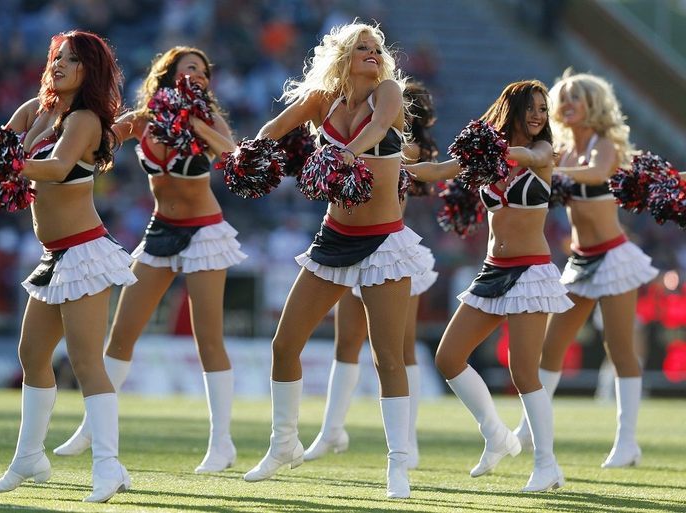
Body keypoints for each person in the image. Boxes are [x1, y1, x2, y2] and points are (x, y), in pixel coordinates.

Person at [241, 21, 433, 499]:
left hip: (383, 243)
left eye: (376, 48)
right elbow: (274, 128)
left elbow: (379, 128)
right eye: (362, 47)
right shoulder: (322, 100)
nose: (372, 54)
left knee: (388, 357)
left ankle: (398, 465)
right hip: (333, 239)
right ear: (343, 56)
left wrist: (342, 153)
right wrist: (254, 153)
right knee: (284, 345)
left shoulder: (388, 92)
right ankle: (283, 444)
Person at [53, 46, 245, 473]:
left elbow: (234, 158)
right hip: (160, 231)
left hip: (205, 233)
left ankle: (222, 443)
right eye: (190, 67)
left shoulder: (208, 119)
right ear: (168, 74)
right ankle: (91, 426)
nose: (198, 75)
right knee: (122, 333)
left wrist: (197, 124)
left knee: (208, 339)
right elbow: (100, 142)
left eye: (204, 70)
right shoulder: (143, 121)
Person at [0, 30, 135, 503]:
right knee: (31, 356)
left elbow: (57, 167)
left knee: (86, 362)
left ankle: (107, 466)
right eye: (57, 57)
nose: (60, 64)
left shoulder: (85, 119)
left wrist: (9, 165)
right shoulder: (36, 110)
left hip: (85, 252)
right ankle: (29, 457)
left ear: (91, 70)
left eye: (72, 59)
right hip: (54, 256)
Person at [409, 80, 572, 492]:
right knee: (448, 357)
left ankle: (547, 465)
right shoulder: (486, 157)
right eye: (530, 107)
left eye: (542, 109)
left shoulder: (541, 151)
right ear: (512, 109)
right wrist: (389, 167)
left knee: (523, 371)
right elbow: (439, 171)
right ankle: (496, 434)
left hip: (530, 272)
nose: (537, 115)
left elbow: (531, 155)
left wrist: (492, 150)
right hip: (491, 271)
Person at [512, 71, 657, 468]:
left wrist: (548, 170)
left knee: (619, 348)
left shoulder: (602, 145)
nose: (568, 103)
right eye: (563, 97)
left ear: (594, 104)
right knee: (551, 346)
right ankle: (528, 429)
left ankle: (627, 442)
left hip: (613, 257)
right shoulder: (559, 149)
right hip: (579, 261)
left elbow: (597, 174)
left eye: (577, 96)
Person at [303, 81, 439, 470]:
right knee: (346, 342)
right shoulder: (360, 126)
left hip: (392, 255)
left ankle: (408, 441)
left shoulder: (407, 147)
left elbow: (397, 155)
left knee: (399, 350)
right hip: (349, 248)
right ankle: (331, 430)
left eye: (403, 108)